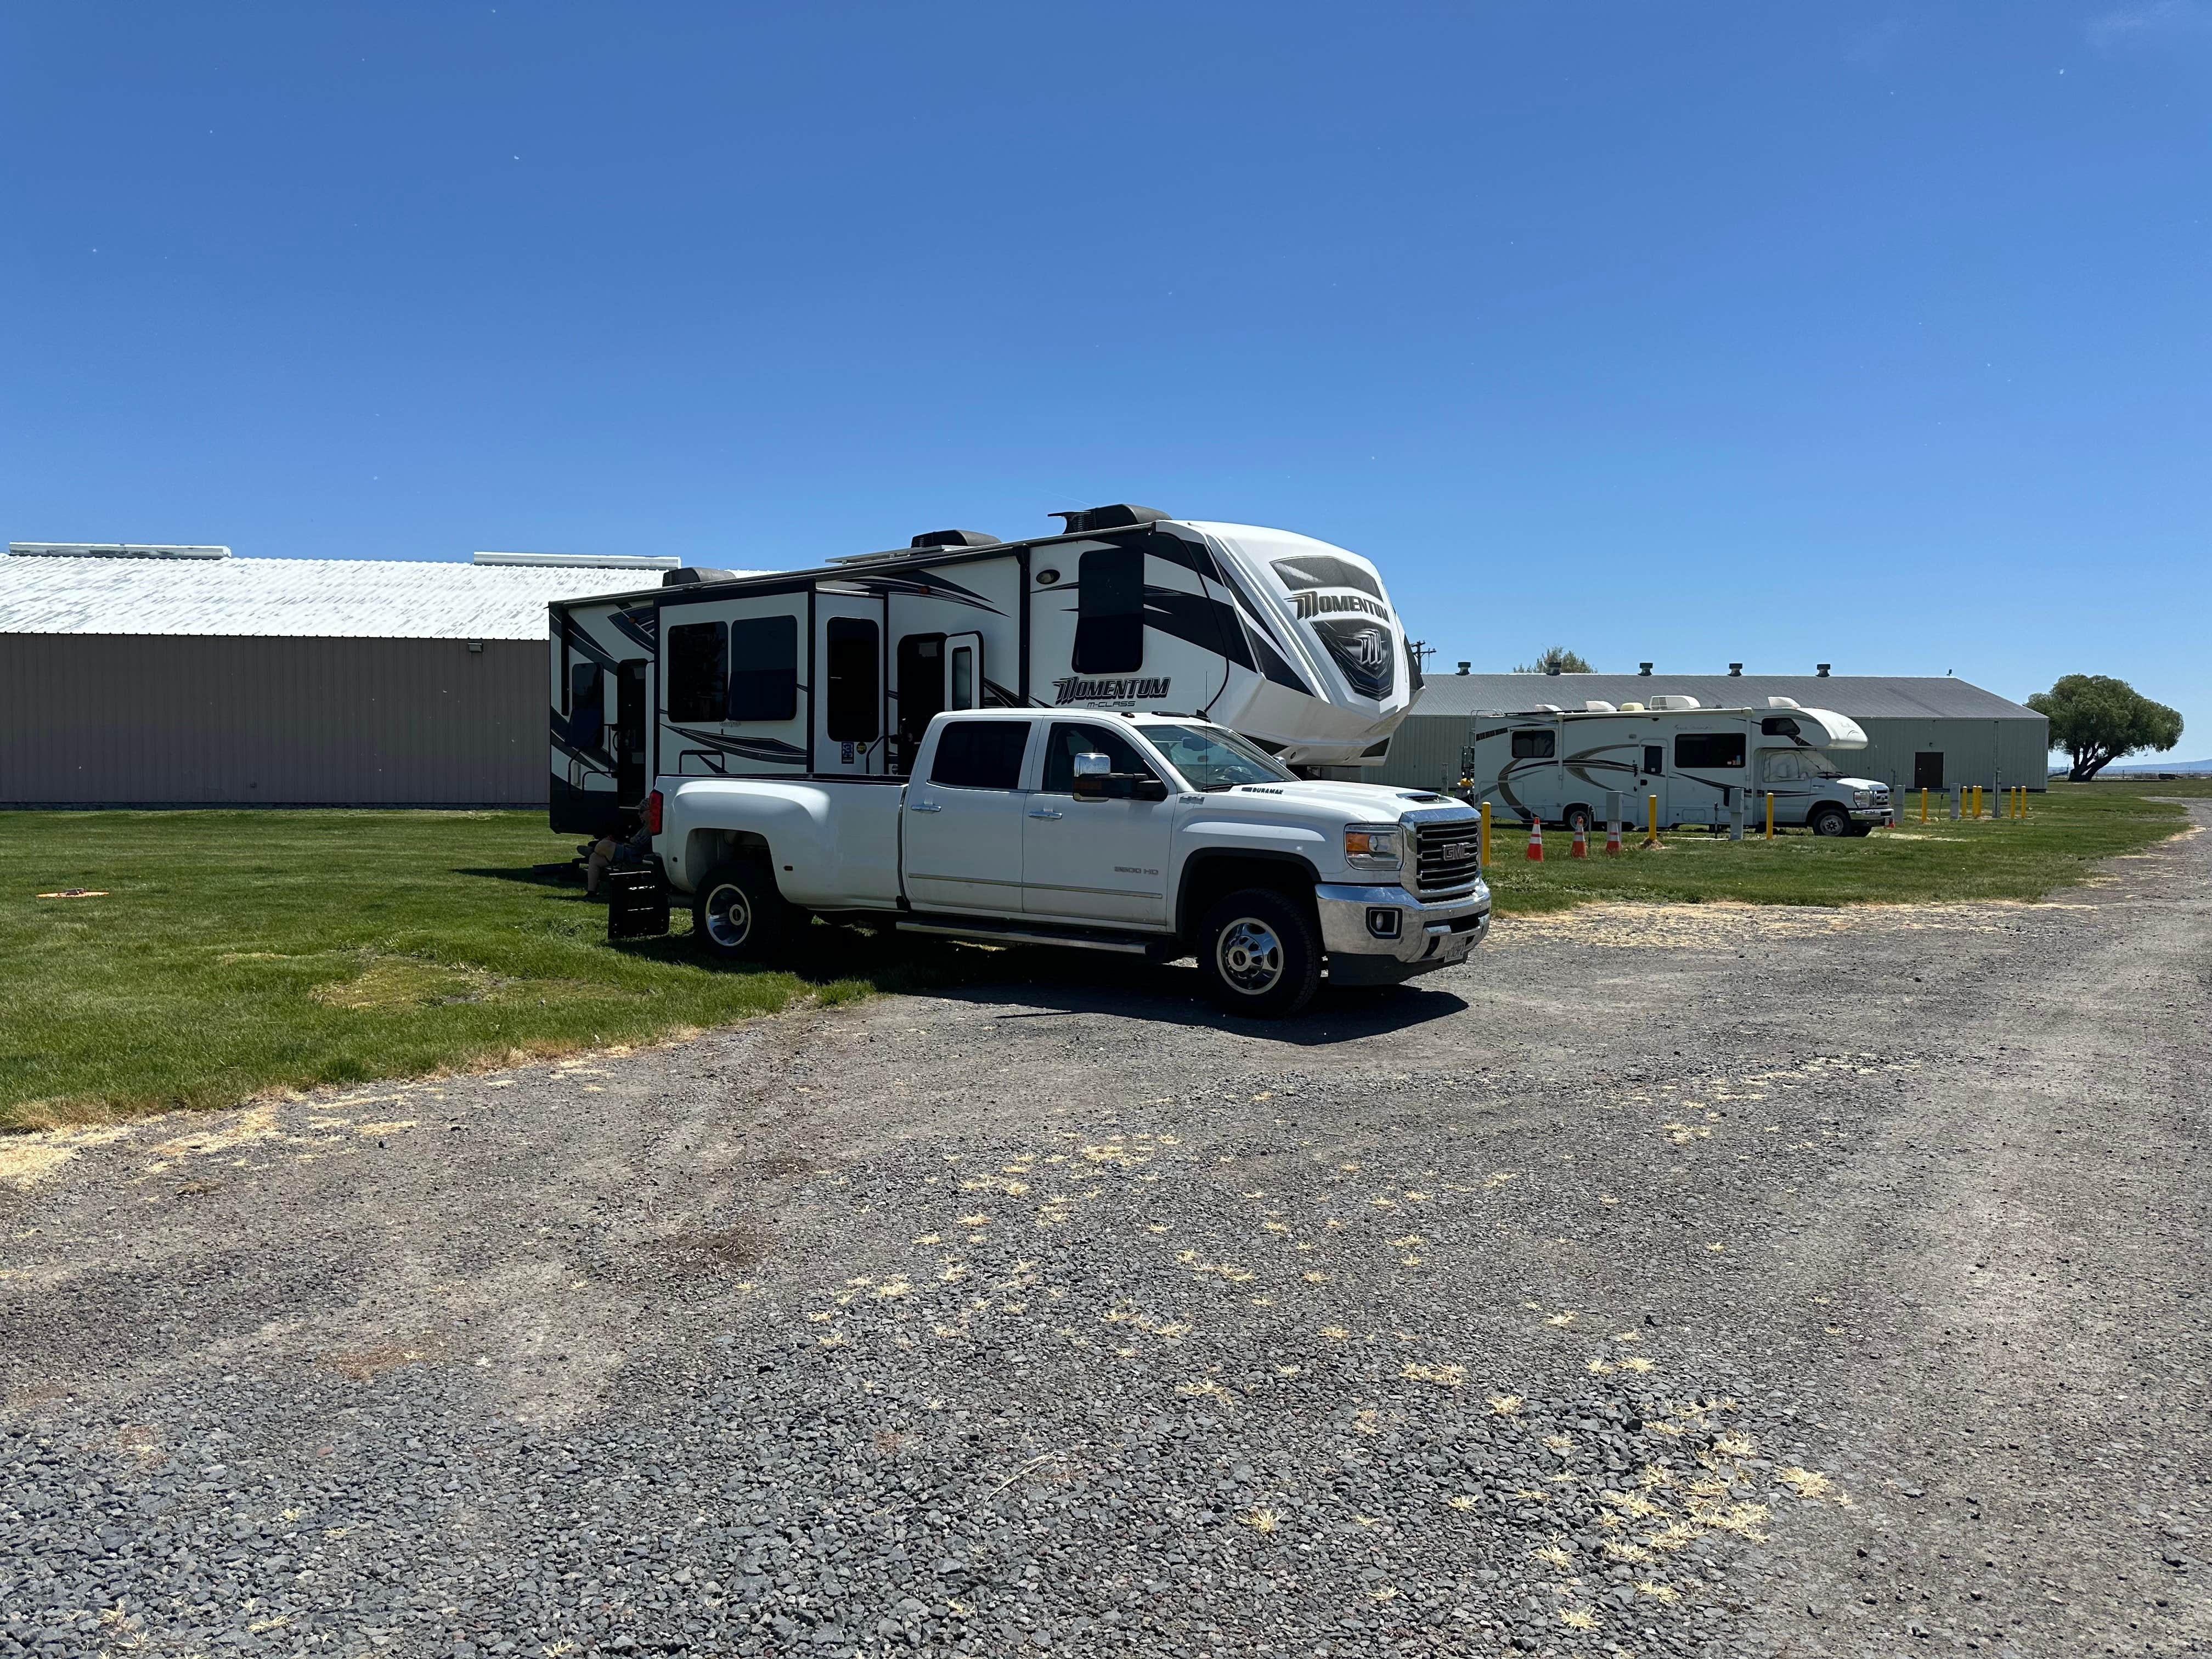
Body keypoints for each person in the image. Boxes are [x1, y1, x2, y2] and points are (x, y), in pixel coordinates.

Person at [585, 816, 652, 899]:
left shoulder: (651, 827)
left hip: (635, 857)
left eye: (641, 811)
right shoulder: (645, 826)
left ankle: (593, 850)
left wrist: (625, 842)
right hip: (630, 853)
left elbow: (638, 846)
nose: (639, 814)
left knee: (604, 845)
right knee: (595, 858)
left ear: (649, 811)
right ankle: (591, 893)